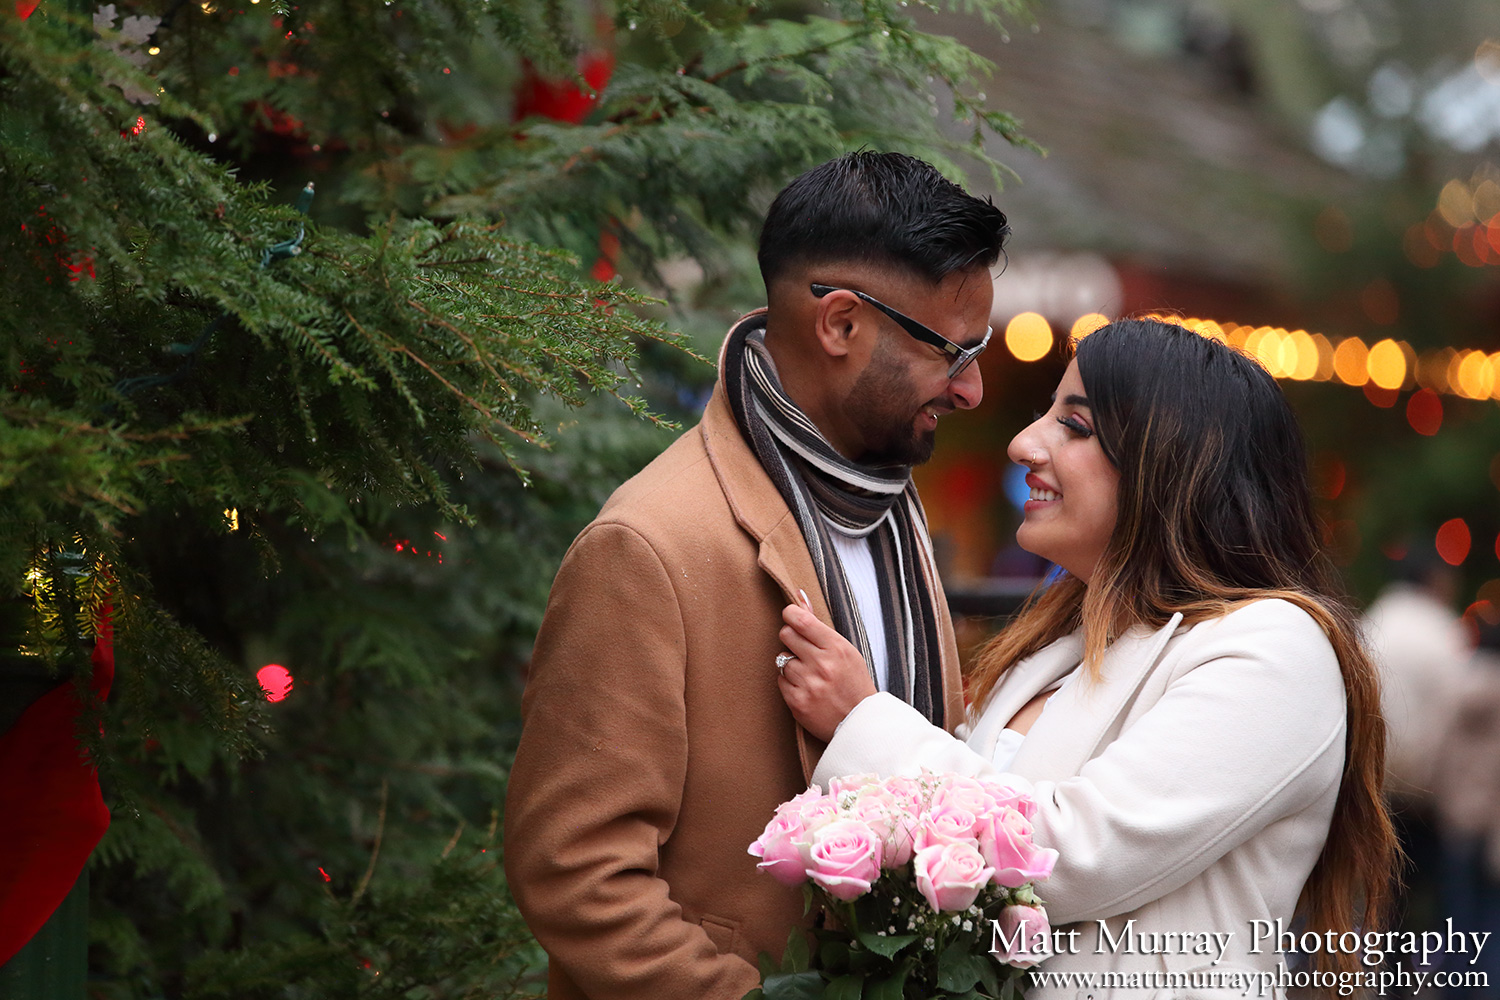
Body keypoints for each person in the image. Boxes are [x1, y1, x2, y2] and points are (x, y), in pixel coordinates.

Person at [503, 151, 1011, 1000]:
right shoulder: (647, 544)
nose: (974, 388)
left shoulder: (890, 506)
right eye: (953, 351)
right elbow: (574, 872)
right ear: (841, 323)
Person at [776, 318, 1397, 996]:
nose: (1023, 443)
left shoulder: (1275, 648)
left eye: (1074, 427)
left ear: (1174, 463)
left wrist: (862, 721)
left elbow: (1069, 855)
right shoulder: (1053, 646)